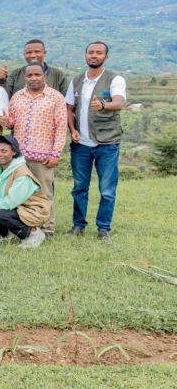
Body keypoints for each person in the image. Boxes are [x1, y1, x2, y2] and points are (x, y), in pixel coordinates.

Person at [65, 41, 125, 241]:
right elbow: (70, 109)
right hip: (80, 143)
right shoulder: (76, 80)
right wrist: (72, 130)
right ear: (85, 55)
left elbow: (118, 103)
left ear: (105, 57)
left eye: (99, 53)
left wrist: (103, 105)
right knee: (79, 187)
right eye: (91, 52)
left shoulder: (114, 79)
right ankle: (78, 225)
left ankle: (104, 228)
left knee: (107, 189)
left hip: (107, 143)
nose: (94, 55)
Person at [2, 61, 68, 237]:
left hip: (44, 157)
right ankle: (18, 228)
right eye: (29, 75)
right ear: (24, 77)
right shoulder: (17, 97)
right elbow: (11, 123)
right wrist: (5, 122)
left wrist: (55, 154)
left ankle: (48, 229)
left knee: (44, 193)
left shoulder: (55, 98)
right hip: (19, 157)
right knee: (17, 193)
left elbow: (61, 128)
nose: (33, 78)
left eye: (37, 75)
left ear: (44, 76)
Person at [0, 39, 70, 98]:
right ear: (24, 54)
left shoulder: (58, 75)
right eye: (29, 52)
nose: (33, 55)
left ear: (44, 53)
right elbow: (4, 97)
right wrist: (2, 80)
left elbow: (66, 99)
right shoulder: (16, 74)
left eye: (37, 52)